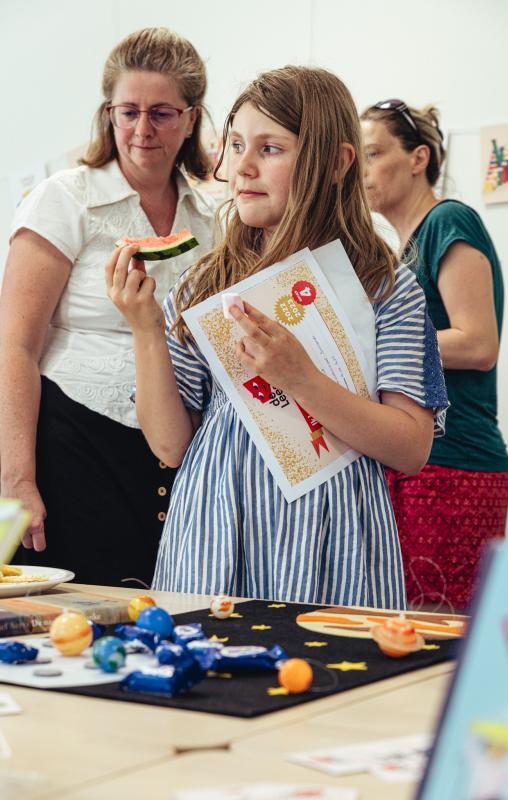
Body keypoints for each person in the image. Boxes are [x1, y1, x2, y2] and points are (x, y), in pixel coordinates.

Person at [107, 67, 448, 607]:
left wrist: (301, 378)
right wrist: (145, 327)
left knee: (333, 682)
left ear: (336, 163)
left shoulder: (386, 288)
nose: (241, 167)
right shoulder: (204, 285)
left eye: (270, 148)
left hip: (337, 539)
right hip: (213, 533)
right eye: (236, 144)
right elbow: (171, 446)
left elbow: (411, 447)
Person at [0, 28, 216, 586]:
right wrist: (17, 477)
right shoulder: (65, 198)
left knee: (160, 614)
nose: (142, 131)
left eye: (163, 113)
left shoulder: (211, 217)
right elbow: (16, 344)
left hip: (176, 451)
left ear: (192, 118)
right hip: (71, 437)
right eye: (128, 112)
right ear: (108, 113)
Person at [361, 99, 508, 611]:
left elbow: (477, 342)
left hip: (456, 465)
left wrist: (369, 345)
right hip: (415, 459)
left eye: (373, 153)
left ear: (418, 158)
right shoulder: (400, 250)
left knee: (437, 639)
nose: (361, 171)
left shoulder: (448, 220)